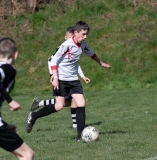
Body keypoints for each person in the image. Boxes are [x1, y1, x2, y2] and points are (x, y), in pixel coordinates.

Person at [51, 21, 110, 141]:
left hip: (73, 79)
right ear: (76, 32)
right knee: (59, 106)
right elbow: (53, 61)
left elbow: (91, 53)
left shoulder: (83, 44)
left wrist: (100, 62)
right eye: (83, 34)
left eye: (86, 34)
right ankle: (34, 115)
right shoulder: (66, 45)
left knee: (81, 103)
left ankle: (80, 136)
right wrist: (55, 77)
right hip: (61, 78)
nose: (85, 37)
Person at [25, 27, 90, 133]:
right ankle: (75, 125)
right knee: (63, 104)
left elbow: (74, 64)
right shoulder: (63, 47)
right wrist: (53, 75)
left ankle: (40, 105)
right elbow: (51, 60)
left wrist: (82, 76)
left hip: (71, 79)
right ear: (67, 37)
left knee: (67, 102)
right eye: (70, 37)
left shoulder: (77, 47)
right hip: (61, 79)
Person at [0, 38, 34, 160]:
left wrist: (5, 127)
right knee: (26, 154)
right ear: (16, 54)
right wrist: (10, 100)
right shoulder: (8, 68)